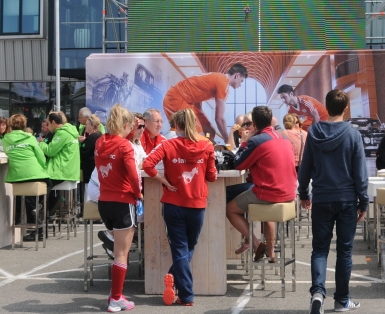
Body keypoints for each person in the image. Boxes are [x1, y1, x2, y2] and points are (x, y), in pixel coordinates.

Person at [298, 89, 367, 313]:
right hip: (347, 199)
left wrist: (304, 194)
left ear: (326, 107)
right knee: (345, 251)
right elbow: (360, 173)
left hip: (322, 198)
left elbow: (305, 167)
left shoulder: (314, 132)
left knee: (319, 250)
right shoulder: (353, 134)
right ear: (345, 107)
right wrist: (363, 201)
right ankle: (342, 300)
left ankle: (317, 293)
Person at [143, 109, 217, 306]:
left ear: (176, 125)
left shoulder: (167, 144)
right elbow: (212, 176)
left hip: (173, 204)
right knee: (186, 248)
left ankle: (175, 281)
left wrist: (163, 180)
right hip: (197, 204)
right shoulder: (207, 145)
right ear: (194, 124)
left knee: (181, 249)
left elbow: (147, 164)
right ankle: (185, 294)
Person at [229, 106, 297, 263]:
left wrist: (245, 142)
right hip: (289, 194)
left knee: (230, 209)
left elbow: (238, 164)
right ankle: (270, 253)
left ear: (254, 123)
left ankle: (256, 244)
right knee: (266, 210)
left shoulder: (257, 141)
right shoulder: (283, 138)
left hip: (268, 193)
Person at [95, 105, 140, 312]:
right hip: (122, 201)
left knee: (119, 251)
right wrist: (138, 193)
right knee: (122, 253)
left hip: (104, 202)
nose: (132, 128)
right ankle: (116, 298)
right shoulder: (125, 146)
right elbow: (133, 175)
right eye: (130, 125)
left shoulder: (100, 141)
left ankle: (116, 293)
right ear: (125, 124)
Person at [162, 64, 248, 141]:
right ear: (237, 76)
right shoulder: (223, 82)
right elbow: (219, 119)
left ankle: (207, 152)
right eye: (241, 81)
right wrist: (227, 140)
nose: (240, 84)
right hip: (177, 98)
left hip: (189, 101)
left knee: (209, 131)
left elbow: (197, 94)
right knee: (199, 138)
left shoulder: (219, 78)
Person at [3, 114, 51, 230]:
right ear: (24, 124)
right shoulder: (30, 138)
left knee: (25, 197)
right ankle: (39, 212)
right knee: (49, 184)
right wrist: (43, 166)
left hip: (17, 176)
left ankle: (24, 219)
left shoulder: (5, 139)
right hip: (35, 173)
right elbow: (41, 157)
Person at [38, 112, 80, 220]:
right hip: (69, 170)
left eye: (47, 124)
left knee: (41, 185)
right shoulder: (70, 131)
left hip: (61, 171)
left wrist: (41, 143)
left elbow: (50, 151)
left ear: (53, 122)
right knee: (46, 186)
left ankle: (42, 214)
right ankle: (48, 209)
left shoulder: (62, 134)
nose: (47, 127)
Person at [79, 115, 103, 217]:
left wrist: (83, 142)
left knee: (89, 192)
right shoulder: (99, 135)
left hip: (90, 168)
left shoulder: (92, 138)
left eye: (87, 124)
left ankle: (90, 214)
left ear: (92, 125)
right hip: (95, 167)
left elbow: (83, 151)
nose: (85, 127)